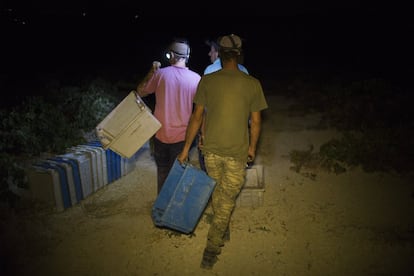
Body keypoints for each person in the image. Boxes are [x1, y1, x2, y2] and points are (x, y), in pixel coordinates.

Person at [177, 34, 268, 269]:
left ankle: (219, 228)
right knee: (225, 198)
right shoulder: (252, 83)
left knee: (219, 195)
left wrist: (186, 149)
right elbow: (256, 122)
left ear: (221, 53)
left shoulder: (208, 80)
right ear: (238, 54)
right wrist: (251, 148)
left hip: (211, 152)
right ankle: (212, 247)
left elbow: (197, 117)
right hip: (236, 153)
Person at [136, 38, 201, 194]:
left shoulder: (160, 75)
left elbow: (140, 91)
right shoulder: (196, 79)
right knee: (178, 177)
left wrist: (151, 71)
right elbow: (200, 112)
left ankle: (161, 209)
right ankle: (175, 212)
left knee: (162, 173)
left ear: (170, 55)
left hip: (160, 135)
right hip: (182, 138)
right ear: (187, 56)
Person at [198, 38, 250, 172]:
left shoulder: (209, 71)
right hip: (237, 135)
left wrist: (202, 134)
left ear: (218, 53)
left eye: (211, 51)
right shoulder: (244, 70)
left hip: (214, 134)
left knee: (211, 173)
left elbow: (204, 108)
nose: (209, 54)